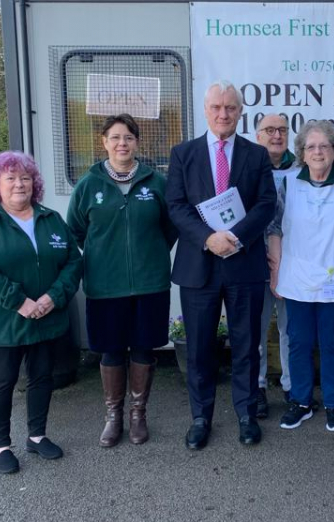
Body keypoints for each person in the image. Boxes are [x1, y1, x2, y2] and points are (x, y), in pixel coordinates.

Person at [166, 80, 276, 450]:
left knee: (246, 344)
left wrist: (236, 237)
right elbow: (176, 206)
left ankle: (246, 414)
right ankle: (201, 417)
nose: (223, 114)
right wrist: (208, 238)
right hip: (199, 265)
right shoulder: (184, 153)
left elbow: (265, 204)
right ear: (206, 109)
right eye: (217, 107)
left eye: (230, 108)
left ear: (240, 112)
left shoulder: (256, 154)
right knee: (198, 347)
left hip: (243, 263)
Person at [0, 151, 82, 474]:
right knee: (3, 381)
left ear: (34, 183)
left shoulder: (50, 218)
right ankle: (0, 446)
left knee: (42, 376)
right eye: (10, 178)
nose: (19, 184)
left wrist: (53, 297)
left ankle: (37, 436)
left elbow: (73, 261)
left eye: (25, 178)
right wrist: (19, 301)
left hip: (47, 318)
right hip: (4, 322)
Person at [67, 114, 177, 448]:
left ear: (137, 142)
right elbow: (75, 230)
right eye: (115, 137)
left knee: (144, 348)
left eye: (128, 137)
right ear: (104, 142)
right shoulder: (88, 184)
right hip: (104, 284)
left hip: (150, 283)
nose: (122, 143)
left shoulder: (156, 182)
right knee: (111, 351)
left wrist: (150, 253)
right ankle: (114, 417)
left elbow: (170, 228)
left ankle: (138, 415)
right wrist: (104, 254)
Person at [268, 120, 334, 433]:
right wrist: (275, 271)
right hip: (296, 276)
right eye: (311, 146)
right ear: (301, 151)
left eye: (324, 146)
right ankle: (300, 402)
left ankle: (333, 404)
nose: (317, 151)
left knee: (333, 343)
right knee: (298, 342)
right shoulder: (288, 183)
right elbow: (274, 229)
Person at [254, 113, 296, 417]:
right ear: (258, 136)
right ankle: (257, 389)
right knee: (254, 331)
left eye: (282, 130)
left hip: (294, 263)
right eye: (269, 130)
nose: (276, 135)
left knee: (290, 330)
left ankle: (293, 387)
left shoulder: (303, 168)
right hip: (255, 263)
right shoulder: (248, 167)